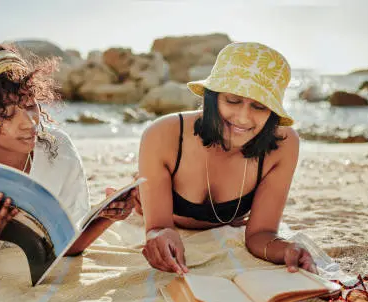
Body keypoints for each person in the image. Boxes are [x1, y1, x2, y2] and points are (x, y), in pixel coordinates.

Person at [0, 44, 134, 269]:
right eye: (6, 114)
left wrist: (105, 218)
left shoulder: (58, 148)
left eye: (30, 104)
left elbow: (68, 246)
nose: (29, 123)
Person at [136, 42, 317, 275]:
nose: (243, 117)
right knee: (137, 193)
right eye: (233, 101)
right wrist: (158, 234)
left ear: (272, 113)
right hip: (149, 206)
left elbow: (260, 235)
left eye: (259, 106)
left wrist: (287, 249)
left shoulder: (283, 144)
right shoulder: (164, 134)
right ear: (213, 98)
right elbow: (157, 227)